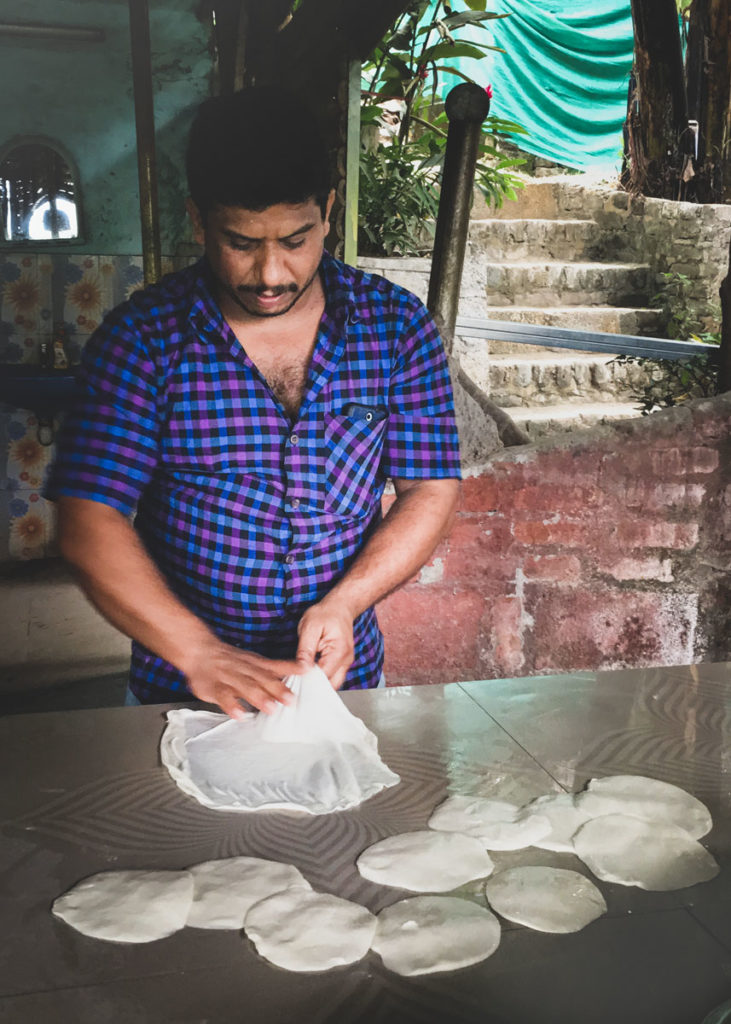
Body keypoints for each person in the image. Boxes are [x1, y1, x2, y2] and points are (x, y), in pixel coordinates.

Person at [46, 87, 461, 718]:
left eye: (295, 240)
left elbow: (429, 490)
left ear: (328, 210)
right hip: (179, 694)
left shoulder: (395, 328)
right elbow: (87, 519)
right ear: (197, 221)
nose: (271, 274)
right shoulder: (143, 341)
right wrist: (199, 653)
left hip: (339, 686)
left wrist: (346, 603)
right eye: (241, 242)